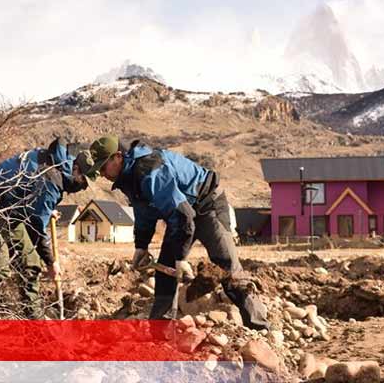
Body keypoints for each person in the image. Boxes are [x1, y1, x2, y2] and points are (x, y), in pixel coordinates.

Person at [86, 135, 268, 330]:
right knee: (165, 270)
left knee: (228, 266)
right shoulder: (129, 178)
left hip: (208, 205)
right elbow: (144, 213)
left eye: (103, 167)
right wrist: (141, 246)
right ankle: (159, 329)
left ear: (118, 157)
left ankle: (259, 327)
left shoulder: (149, 170)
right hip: (183, 212)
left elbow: (183, 215)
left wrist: (180, 258)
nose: (103, 173)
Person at [0, 138, 92, 319]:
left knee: (31, 264)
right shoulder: (51, 177)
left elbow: (33, 200)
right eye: (83, 181)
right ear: (76, 170)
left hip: (11, 211)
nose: (82, 187)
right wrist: (50, 263)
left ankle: (35, 326)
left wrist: (46, 210)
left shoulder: (56, 163)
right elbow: (35, 226)